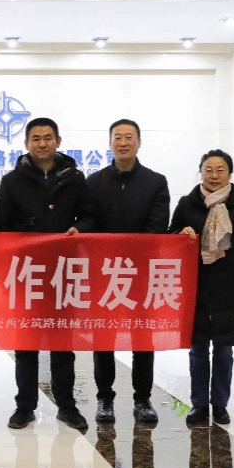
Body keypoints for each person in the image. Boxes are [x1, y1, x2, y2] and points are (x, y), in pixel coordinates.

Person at [0, 117, 91, 432]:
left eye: (48, 138)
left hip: (64, 271)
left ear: (58, 142)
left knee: (63, 344)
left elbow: (90, 216)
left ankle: (67, 406)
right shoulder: (12, 181)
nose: (42, 143)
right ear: (27, 144)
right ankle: (25, 407)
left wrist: (80, 227)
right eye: (36, 138)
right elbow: (1, 229)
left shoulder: (75, 178)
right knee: (26, 344)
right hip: (27, 273)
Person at [79, 118, 170, 425]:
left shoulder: (155, 182)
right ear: (110, 143)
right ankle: (104, 399)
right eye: (117, 137)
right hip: (104, 273)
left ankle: (142, 400)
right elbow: (89, 220)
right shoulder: (93, 182)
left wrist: (131, 253)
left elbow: (157, 226)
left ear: (139, 142)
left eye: (129, 137)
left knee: (142, 338)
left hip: (142, 273)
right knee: (103, 338)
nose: (123, 142)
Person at [169, 149, 234, 425]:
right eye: (208, 170)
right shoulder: (188, 204)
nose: (214, 175)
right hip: (196, 286)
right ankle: (199, 404)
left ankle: (220, 404)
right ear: (200, 173)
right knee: (198, 349)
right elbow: (170, 236)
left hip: (231, 286)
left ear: (230, 174)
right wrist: (180, 233)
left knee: (224, 349)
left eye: (220, 170)